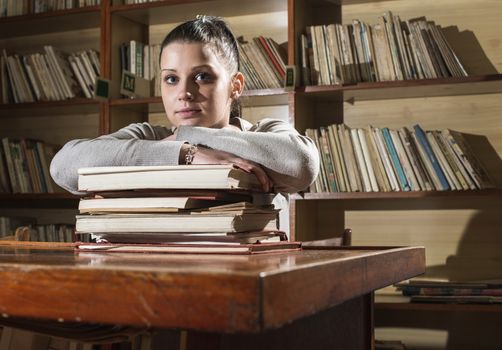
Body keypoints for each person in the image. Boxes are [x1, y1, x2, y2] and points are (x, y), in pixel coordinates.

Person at [50, 16, 319, 221]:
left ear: (235, 86)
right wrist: (185, 153)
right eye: (171, 79)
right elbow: (63, 167)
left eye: (202, 76)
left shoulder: (264, 132)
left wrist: (187, 136)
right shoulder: (149, 137)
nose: (184, 93)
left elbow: (302, 164)